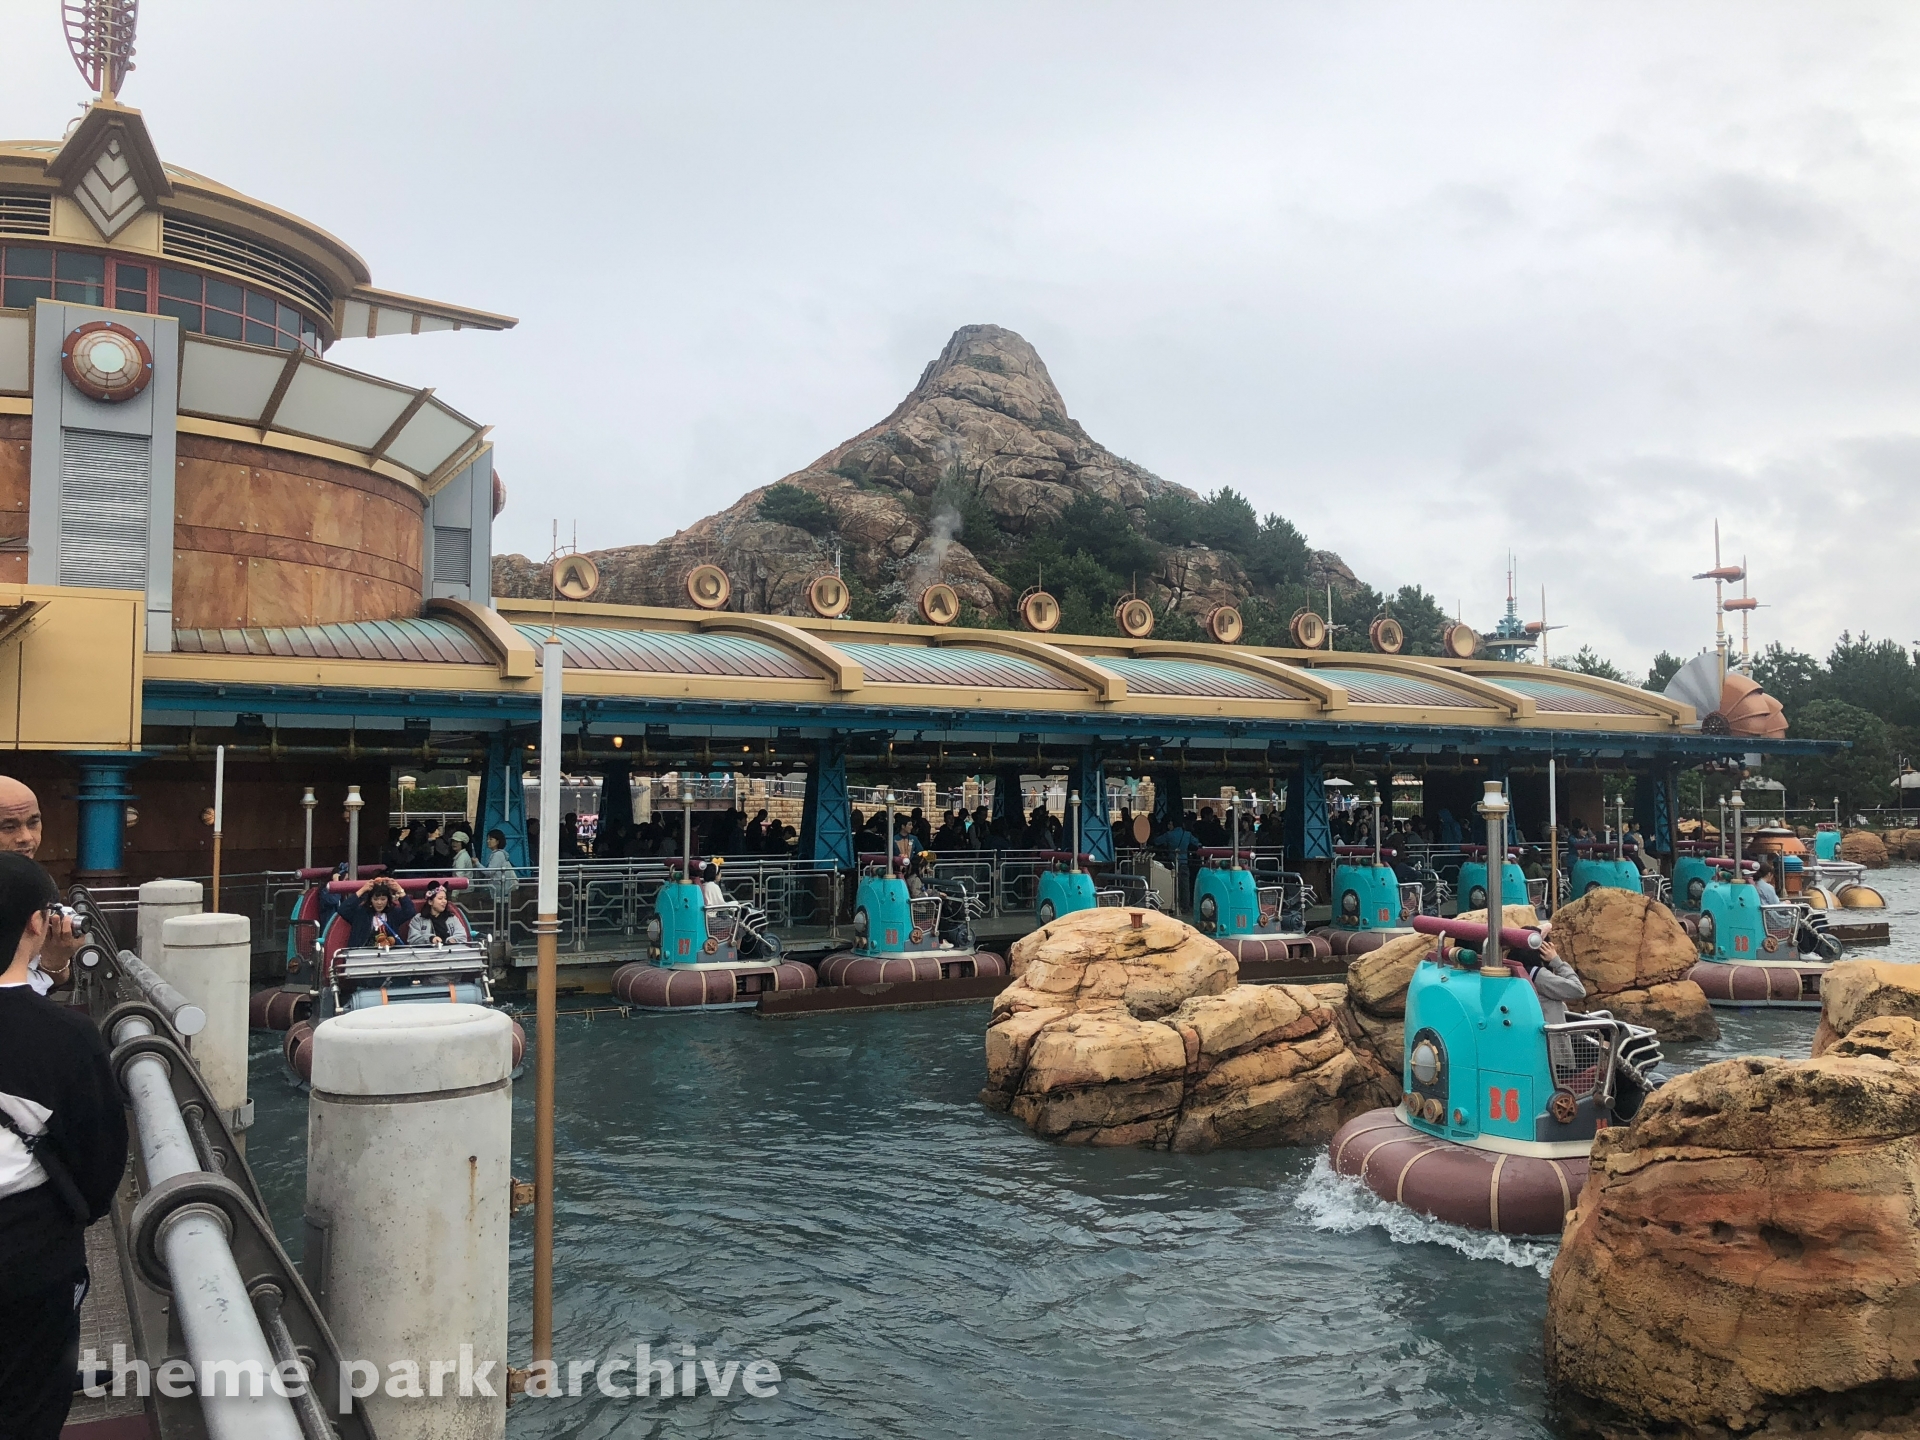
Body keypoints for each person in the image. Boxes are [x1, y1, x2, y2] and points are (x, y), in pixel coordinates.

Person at [0, 851, 128, 1438]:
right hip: (26, 1243)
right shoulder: (67, 1036)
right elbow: (101, 1162)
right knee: (27, 1403)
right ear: (37, 923)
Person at [0, 778, 82, 995]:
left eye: (33, 823)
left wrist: (55, 961)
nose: (26, 837)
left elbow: (34, 986)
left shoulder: (36, 882)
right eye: (8, 827)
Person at [337, 877, 415, 948]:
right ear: (370, 900)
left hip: (388, 954)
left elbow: (410, 912)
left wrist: (400, 890)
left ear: (388, 900)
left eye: (383, 899)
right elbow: (343, 910)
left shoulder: (393, 913)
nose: (379, 903)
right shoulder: (360, 913)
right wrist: (362, 890)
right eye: (375, 899)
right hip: (362, 954)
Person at [484, 830, 518, 904]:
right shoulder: (500, 854)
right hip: (501, 889)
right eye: (488, 839)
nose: (488, 841)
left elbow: (489, 872)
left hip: (499, 890)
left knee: (499, 908)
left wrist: (477, 864)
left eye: (491, 839)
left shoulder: (497, 855)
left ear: (497, 841)